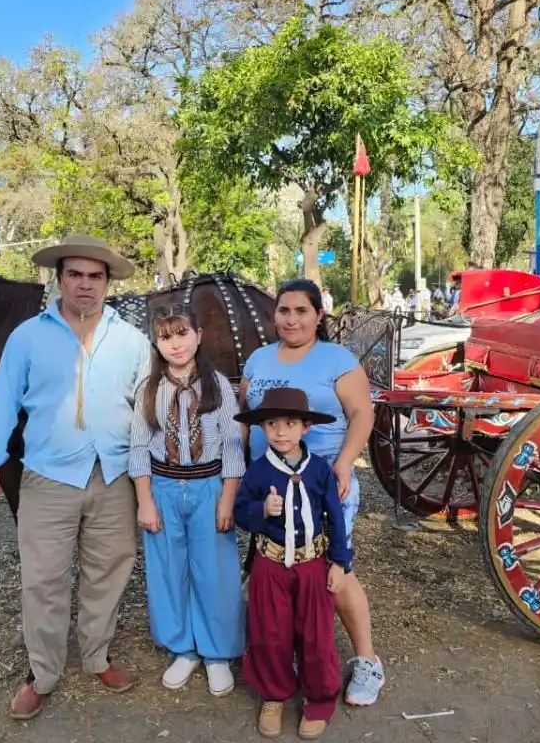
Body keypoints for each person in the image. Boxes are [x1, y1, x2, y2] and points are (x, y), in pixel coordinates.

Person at [0, 234, 151, 721]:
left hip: (113, 476)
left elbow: (147, 412)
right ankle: (42, 673)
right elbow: (4, 399)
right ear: (60, 278)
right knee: (43, 578)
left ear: (108, 283)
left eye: (96, 276)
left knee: (108, 571)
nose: (86, 285)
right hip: (49, 476)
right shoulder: (29, 336)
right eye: (76, 274)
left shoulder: (133, 342)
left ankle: (96, 656)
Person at [240, 279, 384, 708]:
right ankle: (295, 656)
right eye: (284, 310)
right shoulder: (259, 359)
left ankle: (367, 660)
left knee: (333, 571)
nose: (292, 319)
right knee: (284, 574)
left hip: (320, 482)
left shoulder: (336, 359)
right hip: (268, 485)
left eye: (302, 311)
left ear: (319, 315)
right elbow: (247, 419)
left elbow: (362, 413)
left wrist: (343, 463)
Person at [128, 304, 245, 697]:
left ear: (198, 334)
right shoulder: (149, 389)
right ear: (156, 343)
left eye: (182, 334)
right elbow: (139, 447)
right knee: (168, 569)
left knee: (214, 571)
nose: (175, 344)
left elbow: (232, 447)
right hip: (163, 488)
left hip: (208, 486)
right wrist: (145, 501)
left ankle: (216, 652)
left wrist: (227, 501)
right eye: (165, 337)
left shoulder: (218, 386)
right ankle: (183, 646)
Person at [234, 387, 350, 740]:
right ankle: (274, 694)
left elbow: (335, 517)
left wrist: (339, 562)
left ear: (305, 427)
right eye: (271, 423)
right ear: (262, 429)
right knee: (271, 633)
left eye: (290, 423)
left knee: (315, 634)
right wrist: (260, 511)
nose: (280, 431)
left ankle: (318, 699)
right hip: (270, 566)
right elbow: (240, 512)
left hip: (312, 565)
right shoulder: (257, 473)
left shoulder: (319, 470)